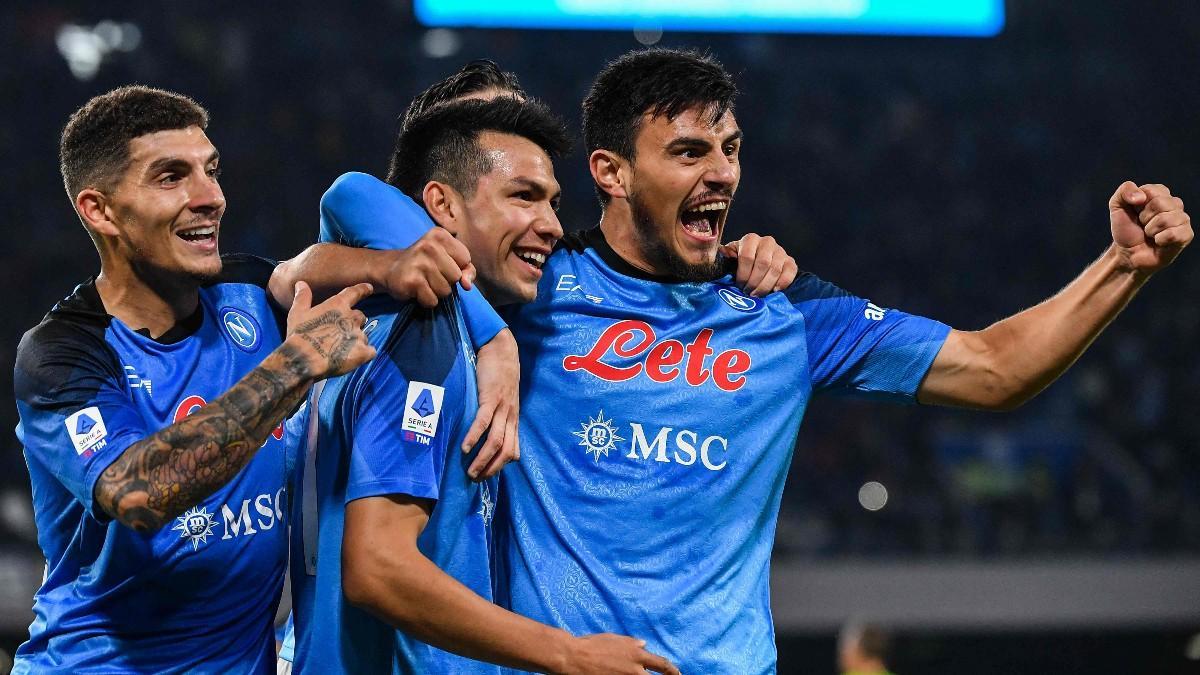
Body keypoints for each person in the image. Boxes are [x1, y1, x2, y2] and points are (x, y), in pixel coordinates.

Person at [317, 47, 1192, 674]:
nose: (722, 174)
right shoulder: (537, 288)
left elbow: (996, 367)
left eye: (730, 149)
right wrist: (489, 326)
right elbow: (362, 205)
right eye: (689, 152)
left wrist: (1122, 267)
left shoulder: (785, 309)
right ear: (612, 172)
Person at [287, 97, 677, 674]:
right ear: (439, 205)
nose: (549, 224)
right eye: (523, 196)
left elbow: (344, 206)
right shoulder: (425, 335)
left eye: (552, 201)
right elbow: (377, 566)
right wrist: (567, 654)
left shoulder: (371, 321)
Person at [12, 86, 376, 673]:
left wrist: (494, 341)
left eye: (211, 170)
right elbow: (138, 493)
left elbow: (365, 225)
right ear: (100, 210)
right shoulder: (62, 353)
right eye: (171, 177)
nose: (210, 197)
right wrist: (295, 365)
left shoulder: (248, 297)